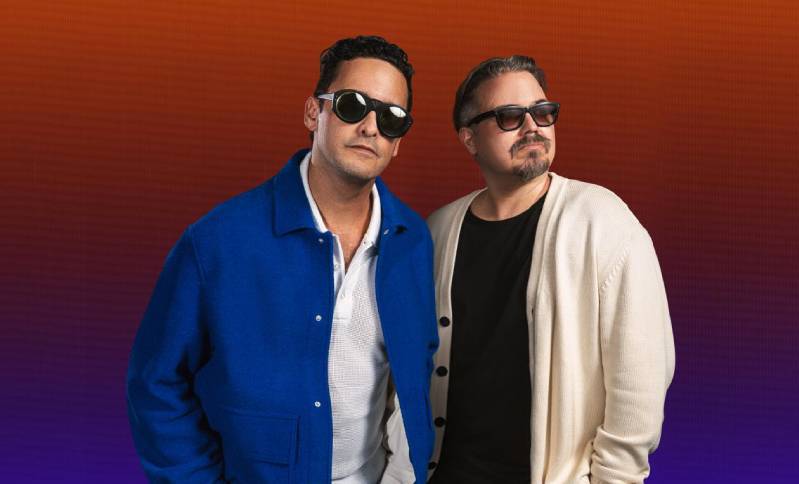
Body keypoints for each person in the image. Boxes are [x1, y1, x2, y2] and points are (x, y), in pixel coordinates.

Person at [127, 35, 437, 484]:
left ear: (398, 142)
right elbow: (156, 383)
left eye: (391, 118)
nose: (371, 127)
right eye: (352, 105)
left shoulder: (412, 240)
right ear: (313, 112)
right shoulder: (217, 241)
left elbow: (413, 377)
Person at [426, 55, 675, 484]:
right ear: (469, 138)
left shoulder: (603, 221)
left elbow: (641, 381)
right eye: (509, 116)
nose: (532, 127)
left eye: (542, 112)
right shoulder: (438, 230)